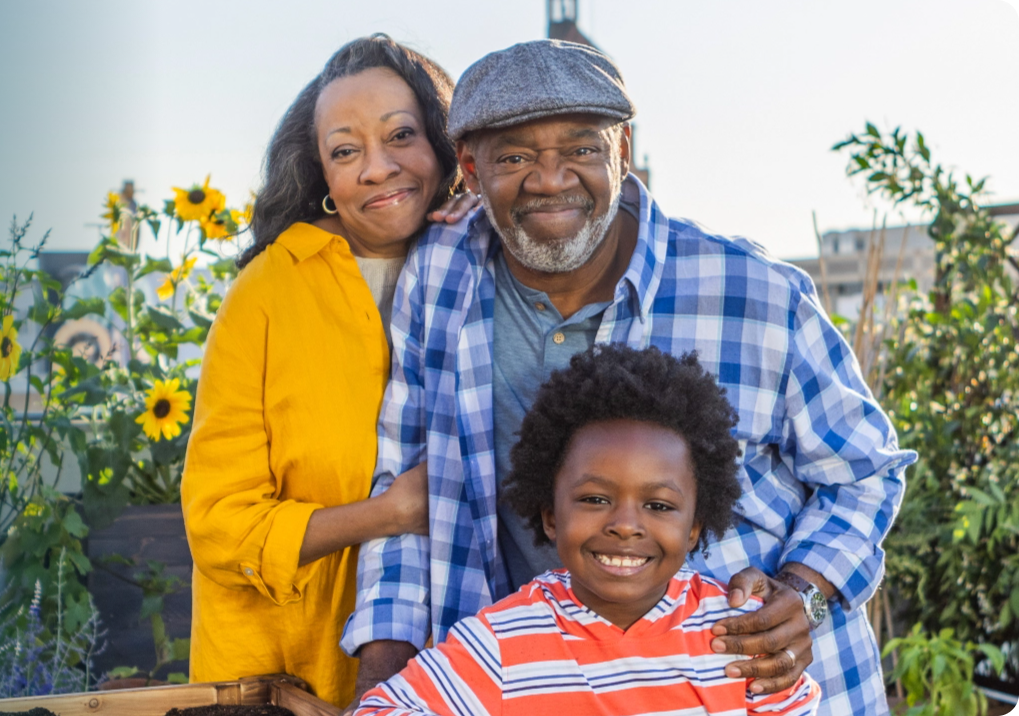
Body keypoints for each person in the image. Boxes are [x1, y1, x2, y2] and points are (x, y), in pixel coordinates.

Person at [341, 39, 917, 714]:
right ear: (469, 168)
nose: (549, 179)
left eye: (582, 149)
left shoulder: (757, 294)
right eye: (516, 156)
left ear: (623, 151)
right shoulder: (440, 278)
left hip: (764, 688)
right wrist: (380, 681)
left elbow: (865, 471)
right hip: (536, 688)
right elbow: (412, 487)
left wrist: (804, 592)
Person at [180, 34, 472, 707]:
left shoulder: (483, 268)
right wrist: (387, 514)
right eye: (346, 151)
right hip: (282, 676)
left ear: (445, 144)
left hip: (449, 669)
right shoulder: (268, 292)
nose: (377, 168)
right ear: (320, 173)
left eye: (401, 135)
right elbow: (217, 522)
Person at [354, 344, 821, 716]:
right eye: (595, 499)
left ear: (695, 527)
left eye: (658, 505)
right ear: (550, 516)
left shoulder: (737, 634)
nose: (623, 525)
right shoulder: (501, 642)